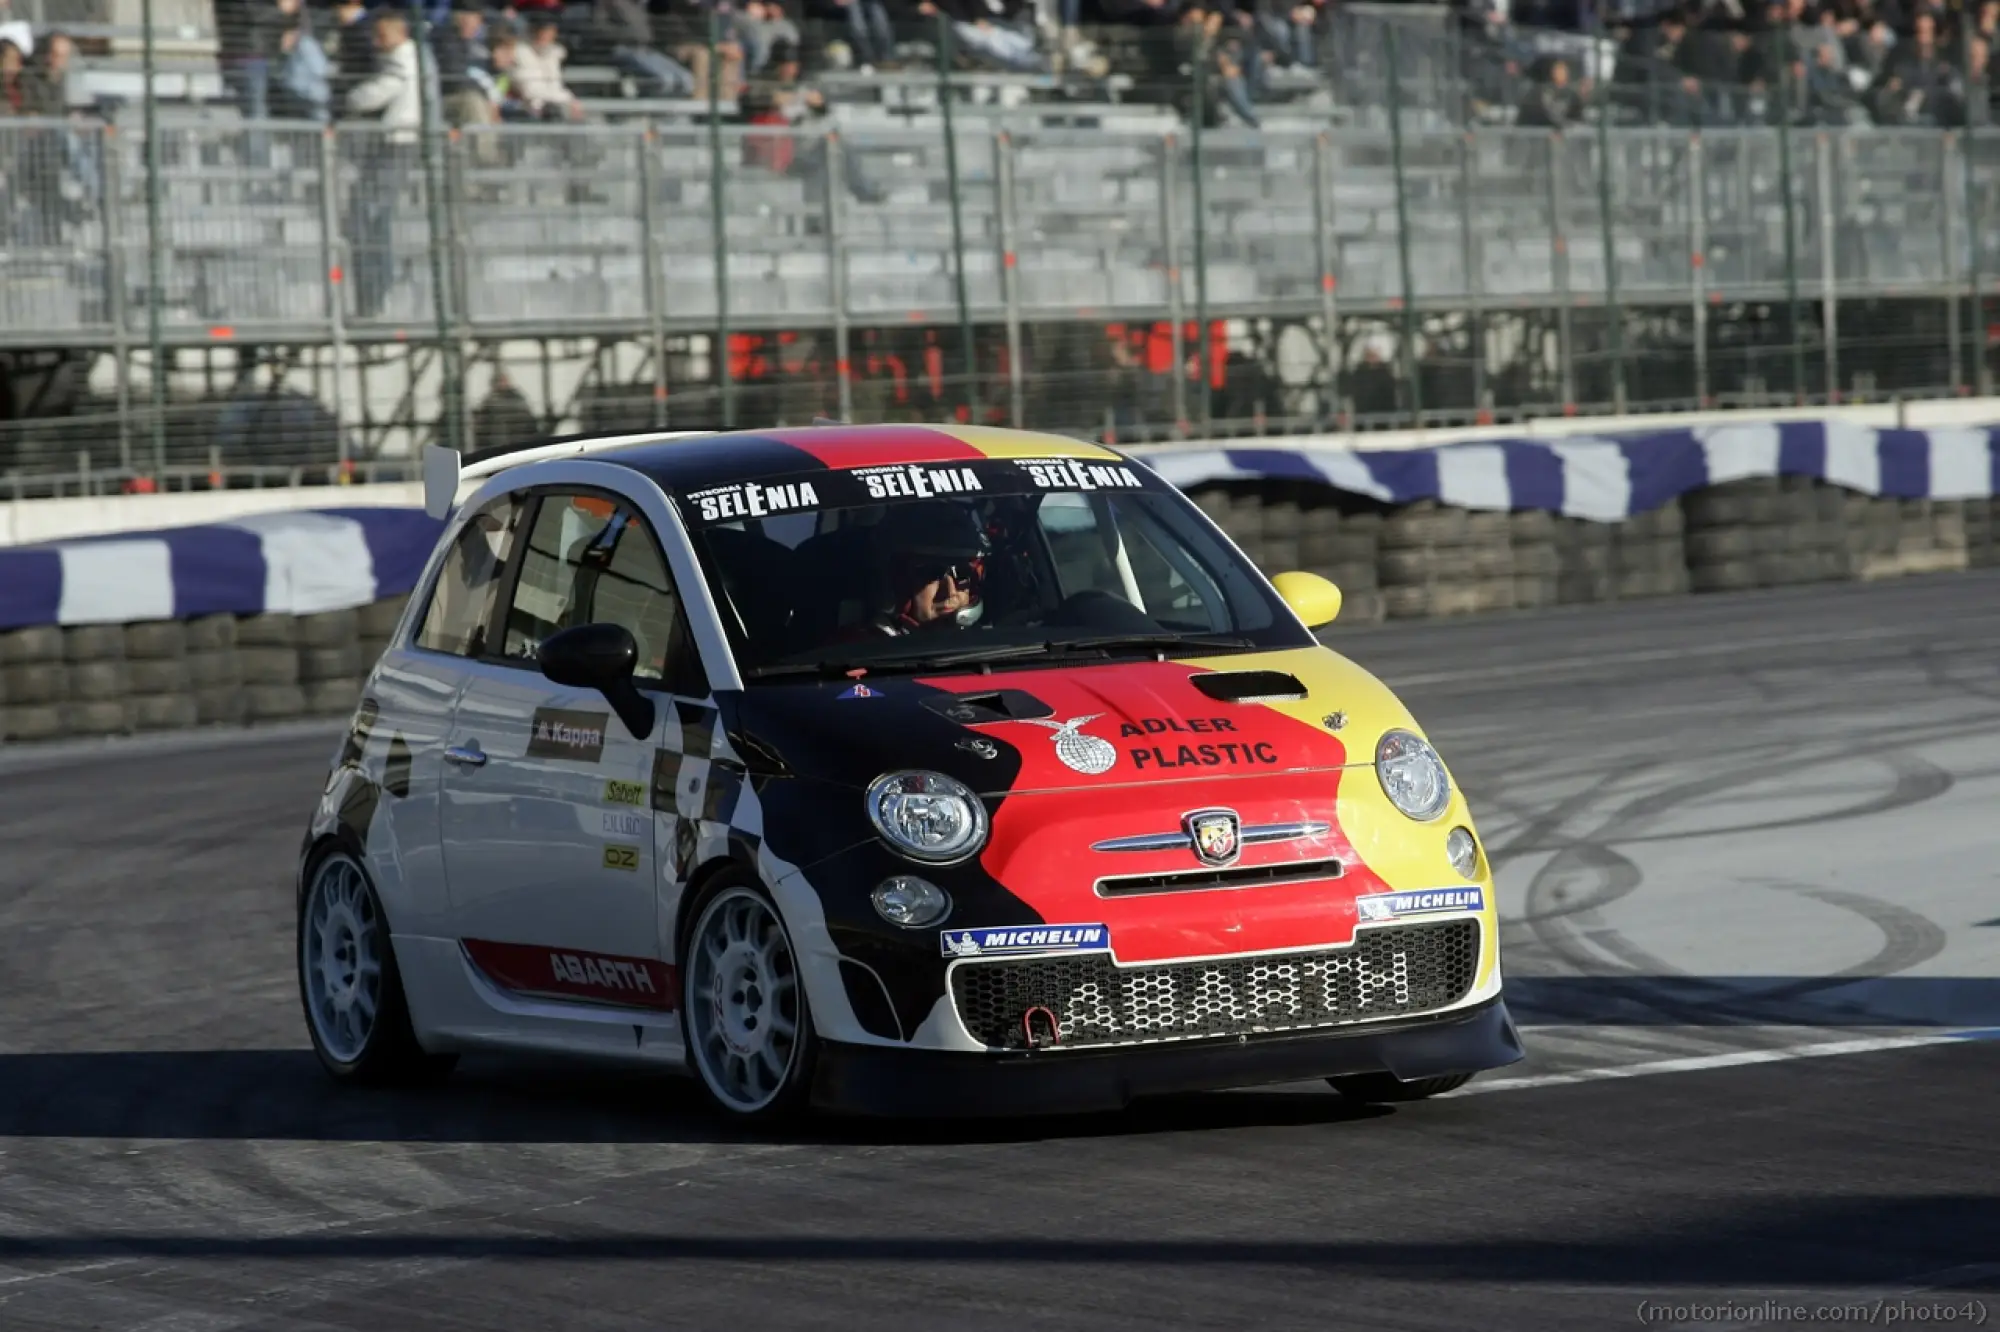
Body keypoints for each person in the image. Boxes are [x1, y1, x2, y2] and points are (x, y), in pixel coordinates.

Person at [864, 502, 990, 634]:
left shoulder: (996, 645)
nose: (949, 591)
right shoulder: (859, 650)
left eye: (963, 572)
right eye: (931, 573)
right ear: (895, 583)